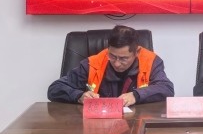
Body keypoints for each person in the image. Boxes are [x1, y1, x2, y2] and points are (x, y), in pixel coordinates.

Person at [47, 25, 175, 106]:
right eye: (112, 56)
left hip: (137, 123)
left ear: (137, 52)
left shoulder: (151, 61)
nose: (117, 63)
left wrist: (136, 95)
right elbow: (54, 89)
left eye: (124, 58)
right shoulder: (93, 63)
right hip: (97, 127)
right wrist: (79, 96)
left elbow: (167, 88)